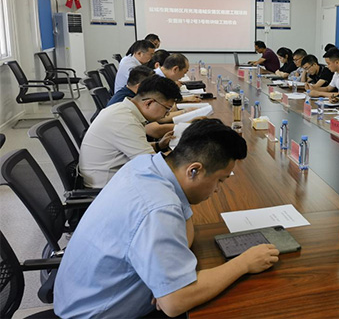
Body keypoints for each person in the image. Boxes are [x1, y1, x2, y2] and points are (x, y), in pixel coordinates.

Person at [54, 119, 279, 318]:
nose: (218, 190)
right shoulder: (159, 208)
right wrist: (244, 263)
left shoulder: (148, 165)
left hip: (86, 295)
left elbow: (185, 224)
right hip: (96, 313)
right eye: (220, 180)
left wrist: (165, 280)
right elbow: (175, 303)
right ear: (194, 170)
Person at [79, 75, 182, 189]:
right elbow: (151, 165)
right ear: (149, 103)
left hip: (116, 175)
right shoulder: (125, 121)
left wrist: (159, 145)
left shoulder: (122, 109)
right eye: (167, 109)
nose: (167, 114)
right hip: (105, 187)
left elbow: (133, 149)